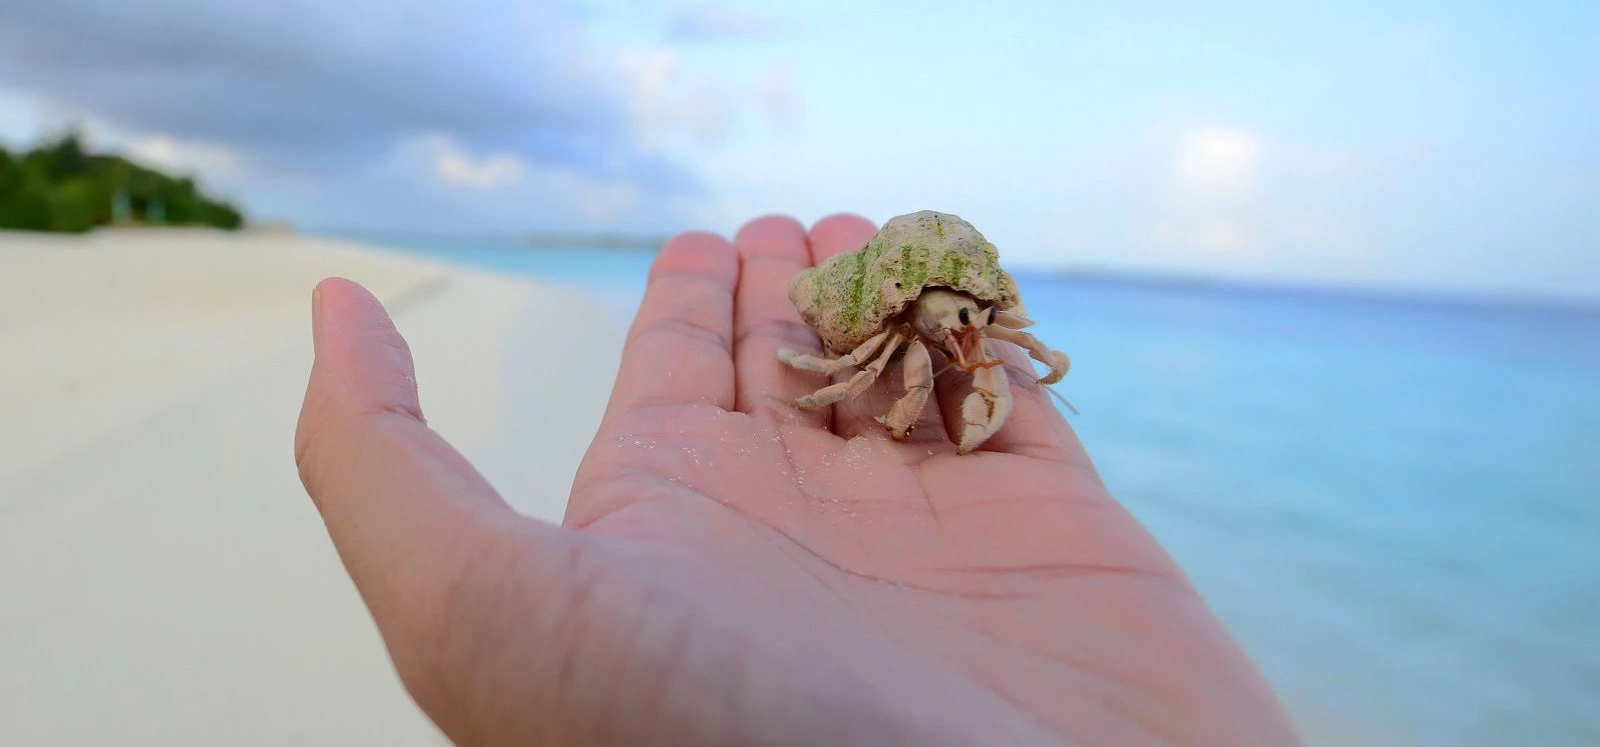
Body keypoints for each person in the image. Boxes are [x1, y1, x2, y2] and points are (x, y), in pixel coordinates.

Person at [295, 214, 1304, 746]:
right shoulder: (905, 330)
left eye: (974, 322)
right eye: (956, 323)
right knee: (908, 381)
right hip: (885, 311)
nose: (966, 338)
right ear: (924, 305)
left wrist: (990, 337)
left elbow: (1019, 349)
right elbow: (882, 383)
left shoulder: (971, 317)